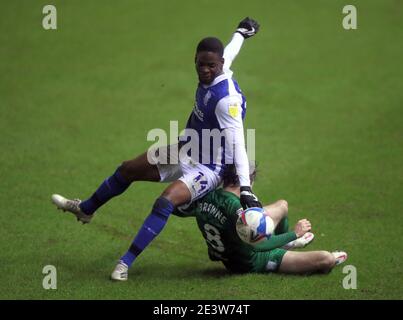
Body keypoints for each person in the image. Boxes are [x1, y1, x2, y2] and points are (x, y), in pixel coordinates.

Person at [52, 18, 263, 281]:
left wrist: (246, 189)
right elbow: (229, 50)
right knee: (127, 169)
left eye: (211, 65)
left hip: (208, 167)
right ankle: (86, 209)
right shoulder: (220, 63)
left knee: (164, 201)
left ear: (220, 65)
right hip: (186, 148)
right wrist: (241, 33)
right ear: (195, 60)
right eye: (201, 64)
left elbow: (239, 145)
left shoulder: (226, 101)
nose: (206, 70)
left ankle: (124, 262)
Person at [165, 165, 348, 275]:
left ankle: (285, 244)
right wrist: (295, 233)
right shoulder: (238, 211)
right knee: (325, 259)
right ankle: (286, 245)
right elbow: (259, 245)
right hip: (252, 260)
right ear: (248, 181)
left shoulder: (207, 195)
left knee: (282, 205)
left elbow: (176, 209)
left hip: (226, 252)